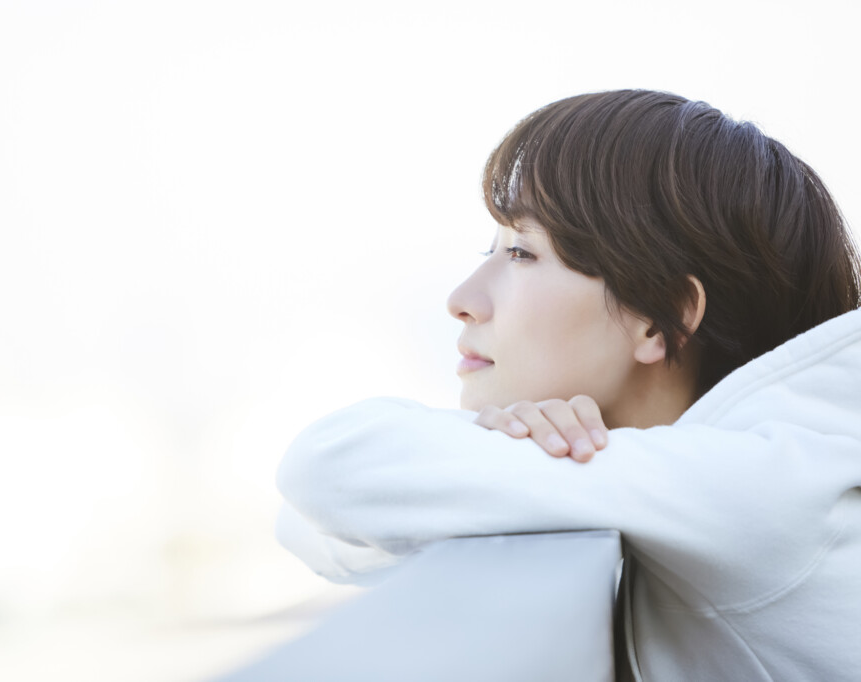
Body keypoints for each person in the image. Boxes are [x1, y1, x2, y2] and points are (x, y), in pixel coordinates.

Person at [275, 90, 861, 680]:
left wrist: (513, 448)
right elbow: (312, 525)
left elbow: (328, 468)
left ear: (660, 318)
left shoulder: (752, 485)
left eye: (521, 253)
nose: (461, 300)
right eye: (492, 250)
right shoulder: (726, 476)